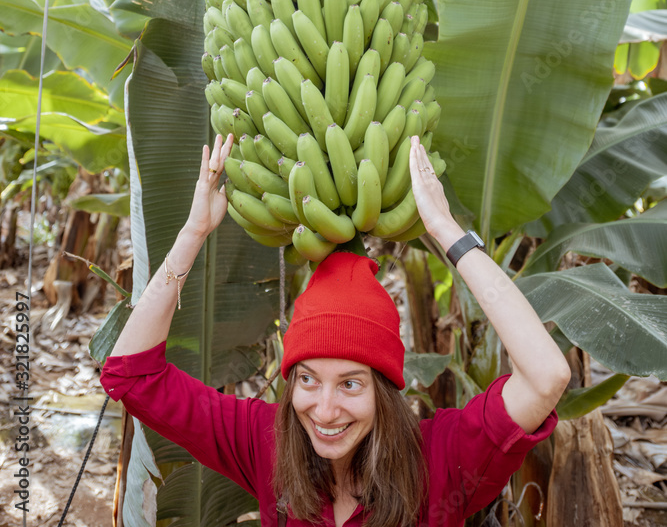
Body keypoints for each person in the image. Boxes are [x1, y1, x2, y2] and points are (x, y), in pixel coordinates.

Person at [101, 132, 570, 527]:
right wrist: (191, 235)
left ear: (383, 390)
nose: (324, 411)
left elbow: (546, 376)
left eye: (350, 383)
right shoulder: (266, 444)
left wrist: (448, 232)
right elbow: (130, 375)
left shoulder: (442, 460)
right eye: (307, 379)